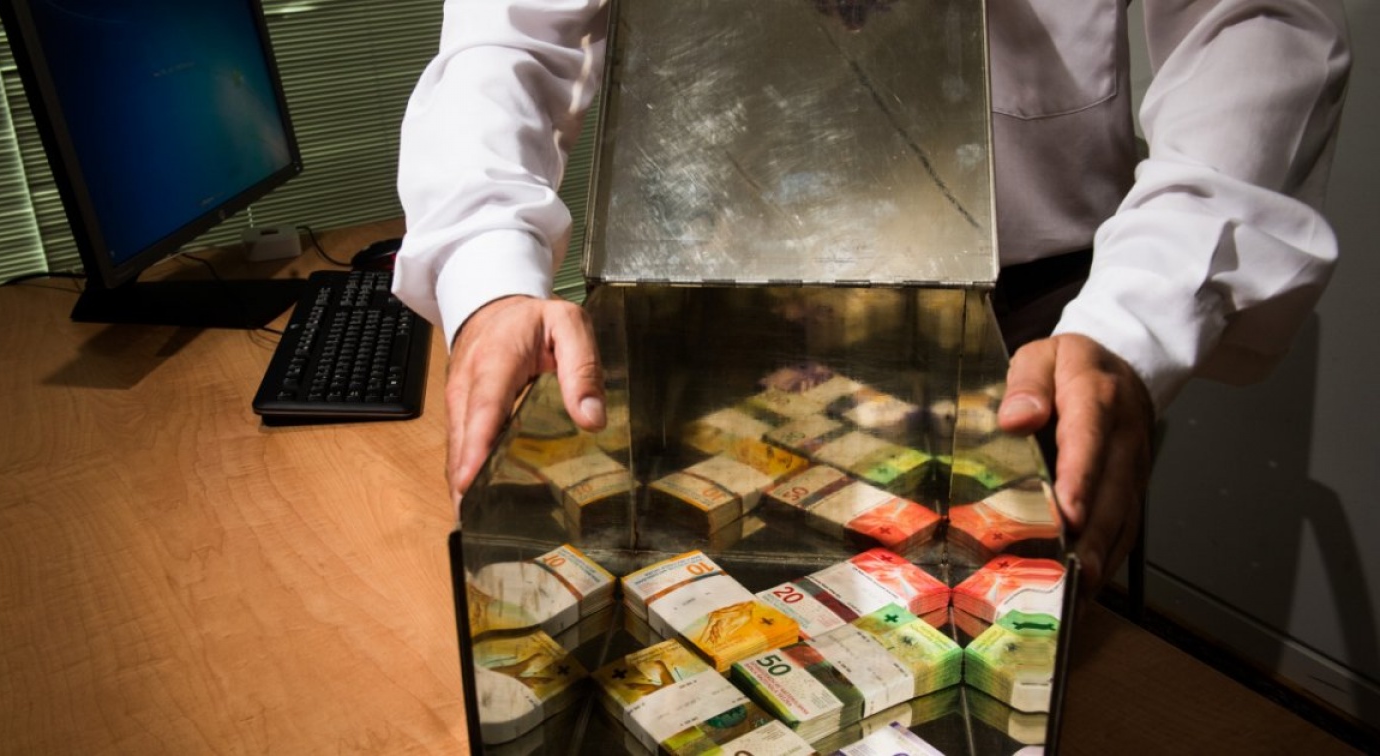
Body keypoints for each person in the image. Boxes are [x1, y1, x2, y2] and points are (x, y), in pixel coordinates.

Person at [390, 0, 1350, 596]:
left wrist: (1143, 317)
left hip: (1040, 328)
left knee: (1014, 662)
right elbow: (507, 32)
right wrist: (487, 272)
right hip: (698, 310)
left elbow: (1258, 22)